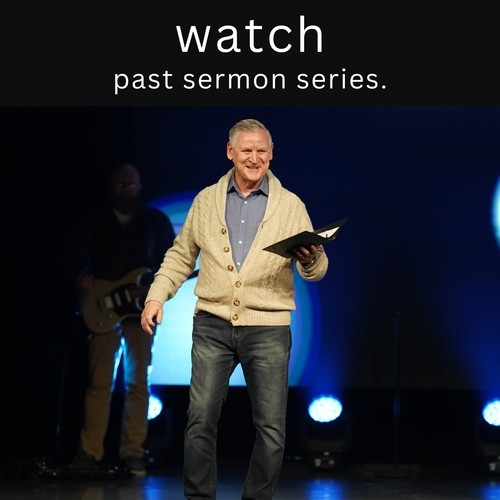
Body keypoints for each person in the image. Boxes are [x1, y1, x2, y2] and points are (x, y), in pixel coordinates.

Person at [141, 118, 330, 498]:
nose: (254, 158)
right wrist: (156, 296)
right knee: (200, 419)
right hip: (212, 323)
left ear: (272, 154)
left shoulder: (289, 204)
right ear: (230, 152)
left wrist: (310, 258)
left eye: (261, 151)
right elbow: (180, 255)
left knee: (271, 428)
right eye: (247, 150)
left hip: (268, 327)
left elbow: (317, 267)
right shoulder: (207, 200)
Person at [69, 163, 176, 476]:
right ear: (111, 186)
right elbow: (74, 255)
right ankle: (89, 453)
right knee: (99, 383)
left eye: (131, 183)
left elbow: (172, 261)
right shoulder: (96, 220)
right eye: (121, 183)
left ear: (140, 187)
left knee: (138, 382)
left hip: (140, 310)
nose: (126, 188)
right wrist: (80, 275)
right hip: (101, 307)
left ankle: (132, 453)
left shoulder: (155, 222)